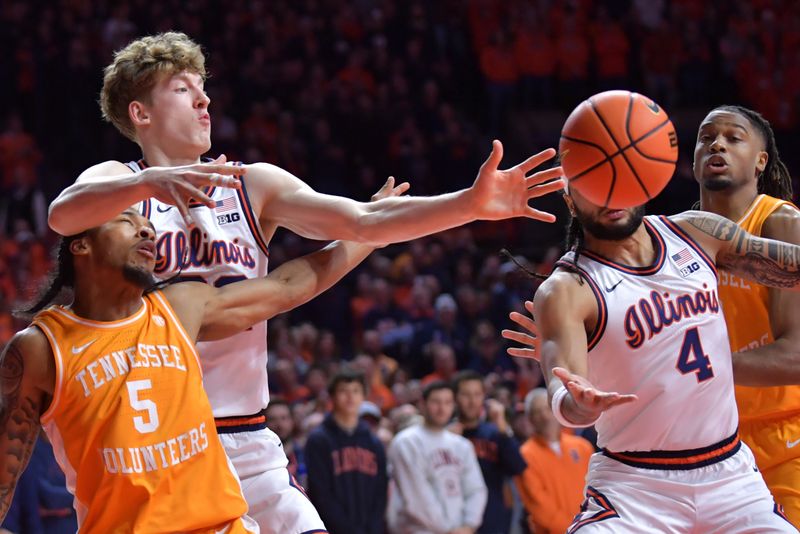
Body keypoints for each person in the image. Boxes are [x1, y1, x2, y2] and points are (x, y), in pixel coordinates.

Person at [46, 32, 564, 534]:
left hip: (247, 438)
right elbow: (61, 217)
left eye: (203, 85)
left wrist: (468, 205)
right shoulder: (116, 184)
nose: (204, 98)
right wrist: (145, 182)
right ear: (141, 113)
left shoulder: (253, 184)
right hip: (157, 441)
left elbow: (363, 220)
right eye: (183, 88)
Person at [0, 206, 383, 532]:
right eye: (126, 220)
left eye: (146, 222)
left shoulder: (180, 306)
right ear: (81, 244)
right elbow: (7, 463)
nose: (146, 228)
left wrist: (369, 231)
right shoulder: (40, 348)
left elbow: (286, 286)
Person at [503, 184, 800, 531]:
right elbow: (563, 387)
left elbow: (790, 266)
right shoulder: (566, 289)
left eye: (620, 179)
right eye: (594, 186)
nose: (610, 197)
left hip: (730, 478)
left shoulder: (696, 231)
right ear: (570, 200)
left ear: (642, 176)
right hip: (634, 487)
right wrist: (579, 402)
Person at [693, 105, 800, 525]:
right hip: (703, 440)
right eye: (705, 137)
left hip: (782, 438)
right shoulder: (676, 237)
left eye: (733, 137)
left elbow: (795, 356)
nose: (716, 143)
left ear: (761, 160)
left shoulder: (780, 222)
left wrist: (698, 369)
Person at [387, 381, 487, 534]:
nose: (442, 409)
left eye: (447, 402)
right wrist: (448, 530)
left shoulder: (462, 445)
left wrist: (469, 525)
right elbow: (416, 498)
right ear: (422, 404)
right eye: (436, 402)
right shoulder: (406, 442)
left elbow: (476, 489)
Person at [304, 368, 388, 534]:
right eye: (343, 391)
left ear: (364, 396)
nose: (350, 397)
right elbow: (320, 494)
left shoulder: (374, 442)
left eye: (356, 391)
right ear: (332, 396)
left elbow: (381, 492)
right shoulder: (318, 440)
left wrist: (373, 528)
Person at [451, 370, 526, 534]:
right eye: (466, 395)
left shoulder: (494, 433)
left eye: (477, 394)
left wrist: (503, 426)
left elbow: (518, 467)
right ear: (455, 398)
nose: (472, 401)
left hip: (492, 518)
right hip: (455, 519)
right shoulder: (446, 436)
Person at [514, 388, 592, 534]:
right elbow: (538, 503)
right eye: (537, 412)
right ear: (530, 419)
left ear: (557, 411)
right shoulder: (525, 454)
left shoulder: (582, 446)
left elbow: (597, 489)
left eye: (547, 408)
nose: (544, 416)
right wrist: (574, 530)